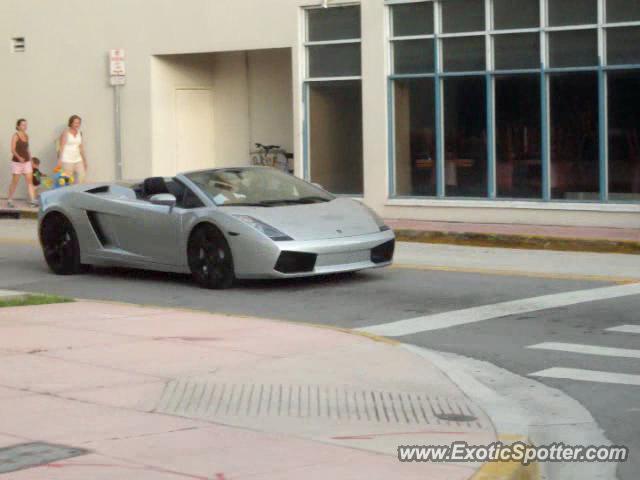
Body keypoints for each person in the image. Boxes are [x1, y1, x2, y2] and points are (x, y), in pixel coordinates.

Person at [7, 119, 37, 208]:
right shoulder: (15, 136)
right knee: (15, 182)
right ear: (18, 126)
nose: (25, 126)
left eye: (26, 125)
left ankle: (32, 200)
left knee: (30, 182)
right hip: (17, 163)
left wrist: (31, 160)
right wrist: (19, 158)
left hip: (27, 162)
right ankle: (9, 199)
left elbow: (27, 149)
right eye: (23, 125)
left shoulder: (27, 136)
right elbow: (12, 149)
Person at [56, 115, 87, 183]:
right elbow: (61, 147)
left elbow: (81, 147)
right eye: (75, 123)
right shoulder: (65, 133)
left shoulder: (79, 133)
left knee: (82, 178)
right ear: (71, 123)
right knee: (68, 181)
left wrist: (84, 160)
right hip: (67, 160)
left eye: (79, 123)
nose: (77, 124)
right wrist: (59, 161)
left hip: (78, 159)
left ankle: (79, 192)